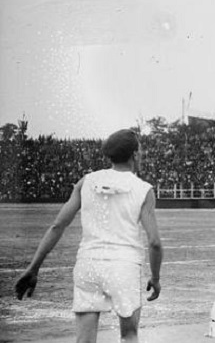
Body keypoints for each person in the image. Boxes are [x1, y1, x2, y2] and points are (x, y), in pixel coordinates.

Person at [14, 129, 163, 343]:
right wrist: (155, 278)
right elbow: (154, 242)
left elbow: (57, 226)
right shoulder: (144, 189)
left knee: (84, 340)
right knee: (129, 335)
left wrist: (33, 267)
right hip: (124, 266)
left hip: (88, 265)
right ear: (134, 154)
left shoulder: (87, 181)